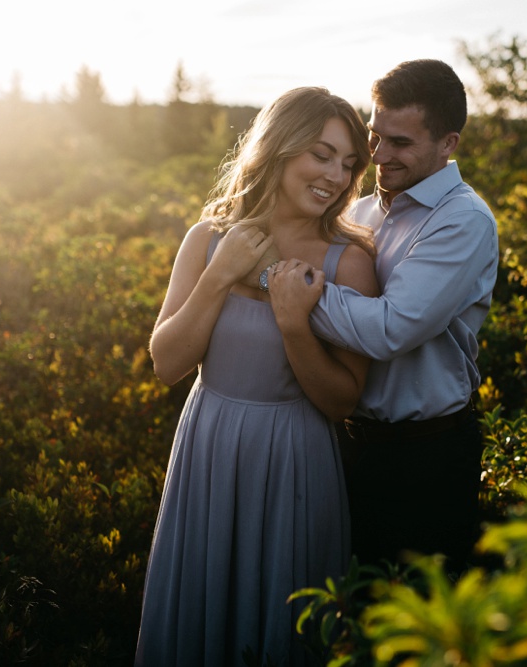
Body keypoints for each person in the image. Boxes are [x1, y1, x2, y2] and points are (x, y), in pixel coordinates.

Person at [135, 87, 378, 666]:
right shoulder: (208, 237)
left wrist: (296, 324)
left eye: (348, 164)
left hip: (293, 457)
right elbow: (168, 363)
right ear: (279, 146)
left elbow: (343, 401)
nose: (335, 177)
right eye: (321, 154)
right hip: (209, 446)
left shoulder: (350, 261)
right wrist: (220, 275)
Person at [272, 60, 499, 573]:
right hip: (347, 446)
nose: (377, 155)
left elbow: (389, 329)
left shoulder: (462, 221)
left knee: (416, 623)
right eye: (374, 136)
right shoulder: (361, 211)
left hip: (426, 458)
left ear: (448, 144)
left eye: (400, 143)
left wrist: (282, 285)